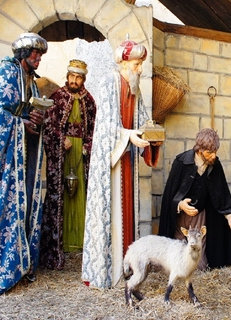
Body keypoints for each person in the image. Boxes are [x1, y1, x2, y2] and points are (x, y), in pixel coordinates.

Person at [0, 33, 47, 297]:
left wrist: (35, 119)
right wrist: (20, 123)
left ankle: (17, 266)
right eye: (34, 53)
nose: (38, 58)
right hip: (2, 158)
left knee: (22, 203)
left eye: (40, 54)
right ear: (23, 53)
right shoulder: (7, 71)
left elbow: (25, 113)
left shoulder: (32, 83)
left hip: (21, 156)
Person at [82, 39, 160, 288]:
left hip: (126, 162)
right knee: (113, 213)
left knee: (128, 213)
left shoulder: (135, 89)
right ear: (125, 64)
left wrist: (153, 136)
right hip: (111, 164)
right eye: (137, 64)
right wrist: (128, 135)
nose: (139, 69)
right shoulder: (109, 82)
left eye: (140, 65)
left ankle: (127, 268)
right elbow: (104, 127)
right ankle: (108, 272)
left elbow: (143, 120)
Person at [40, 60, 97, 270]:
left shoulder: (89, 101)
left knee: (80, 195)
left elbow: (93, 129)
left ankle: (80, 243)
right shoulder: (58, 96)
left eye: (78, 77)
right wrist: (60, 137)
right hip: (63, 152)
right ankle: (59, 244)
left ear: (83, 78)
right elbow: (49, 124)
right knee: (62, 195)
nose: (74, 80)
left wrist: (87, 146)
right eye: (71, 76)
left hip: (80, 153)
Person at [158, 128, 231, 269]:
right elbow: (170, 195)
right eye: (209, 153)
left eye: (215, 152)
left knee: (200, 262)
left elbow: (221, 195)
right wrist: (180, 204)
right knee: (178, 251)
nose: (213, 156)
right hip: (180, 216)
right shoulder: (181, 162)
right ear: (199, 150)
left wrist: (230, 215)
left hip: (200, 214)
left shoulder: (215, 165)